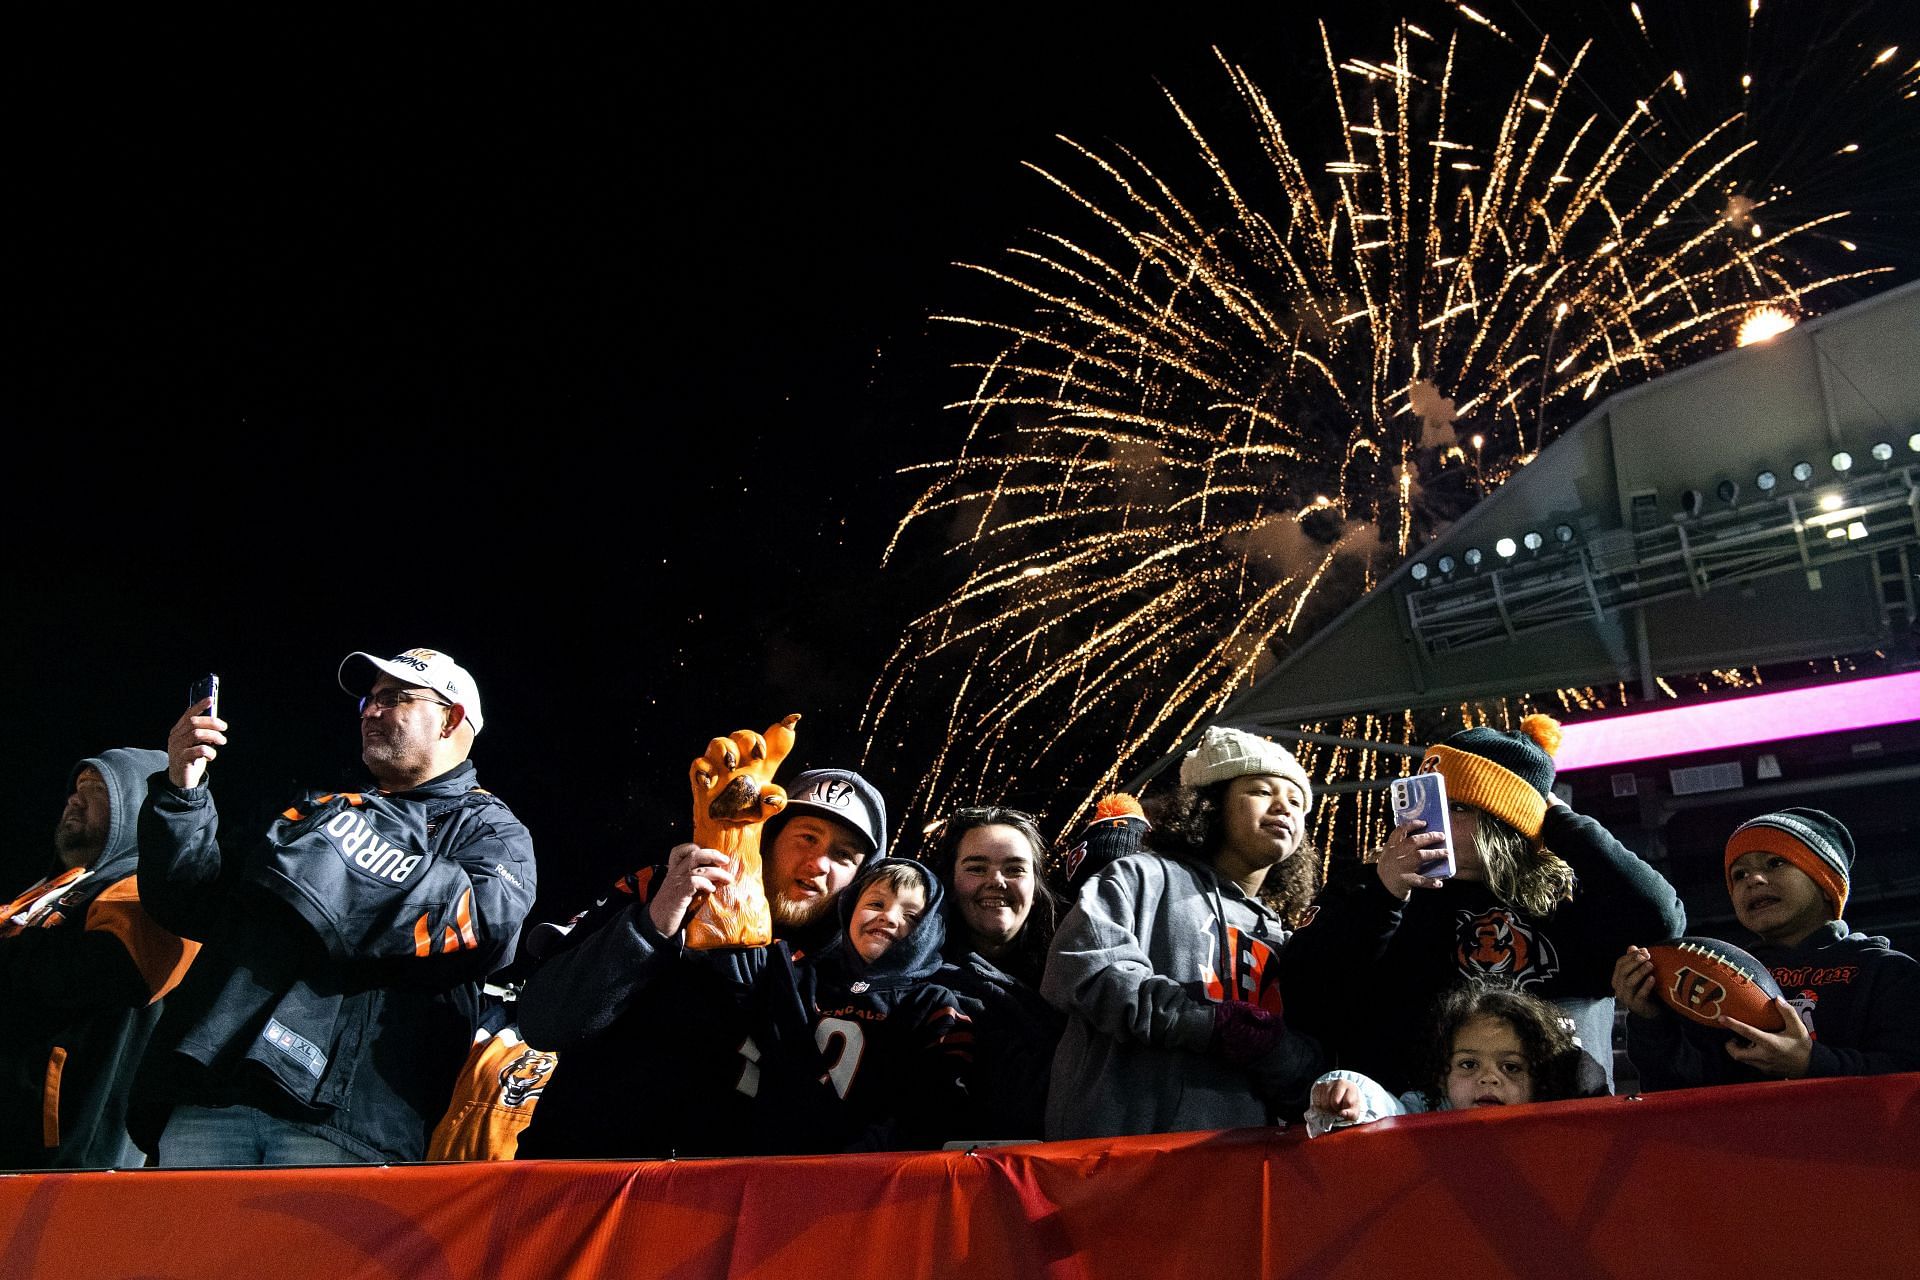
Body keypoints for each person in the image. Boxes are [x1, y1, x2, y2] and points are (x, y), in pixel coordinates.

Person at [132, 647, 537, 1165]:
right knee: (183, 1250)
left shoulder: (491, 832)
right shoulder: (314, 809)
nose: (370, 711)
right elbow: (187, 900)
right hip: (213, 1093)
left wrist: (332, 857)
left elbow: (486, 926)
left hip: (346, 1124)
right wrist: (182, 791)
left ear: (451, 718)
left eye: (394, 699)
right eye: (368, 701)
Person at [1281, 715, 1686, 1096]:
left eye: (1457, 807)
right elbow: (1308, 990)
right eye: (1429, 802)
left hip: (1560, 1129)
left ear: (1502, 823)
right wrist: (1383, 896)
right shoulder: (1379, 887)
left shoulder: (1566, 894)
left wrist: (1559, 820)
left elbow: (1661, 920)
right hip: (1420, 1133)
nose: (1431, 820)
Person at [512, 766, 888, 1158]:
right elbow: (543, 1021)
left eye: (843, 855)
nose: (818, 863)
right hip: (576, 1182)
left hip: (712, 1207)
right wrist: (652, 926)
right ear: (770, 835)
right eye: (807, 838)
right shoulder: (661, 889)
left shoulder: (850, 976)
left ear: (862, 879)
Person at [1041, 726, 1325, 1139]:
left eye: (1297, 802)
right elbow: (1084, 971)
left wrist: (1276, 1049)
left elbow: (1303, 1076)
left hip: (1231, 1176)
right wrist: (1205, 1023)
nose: (1284, 806)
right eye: (1261, 791)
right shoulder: (1139, 877)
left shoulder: (1282, 939)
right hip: (1113, 1165)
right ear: (1210, 804)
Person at [1614, 807, 1920, 1088]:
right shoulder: (1715, 976)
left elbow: (1907, 1078)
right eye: (1739, 874)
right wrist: (1650, 1019)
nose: (1754, 879)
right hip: (1751, 1144)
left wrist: (1811, 1063)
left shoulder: (1888, 971)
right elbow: (1677, 1088)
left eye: (1776, 863)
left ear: (1826, 883)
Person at [1, 749, 198, 1169]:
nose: (74, 799)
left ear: (135, 805)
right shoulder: (48, 890)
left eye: (95, 790)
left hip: (74, 1149)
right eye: (75, 790)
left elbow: (107, 972)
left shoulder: (149, 891)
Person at [702, 857, 976, 1152]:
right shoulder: (802, 977)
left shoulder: (930, 1003)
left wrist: (864, 1156)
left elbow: (939, 1101)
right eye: (876, 904)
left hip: (870, 1176)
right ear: (849, 909)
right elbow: (734, 963)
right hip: (773, 1164)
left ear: (929, 932)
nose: (890, 917)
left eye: (911, 916)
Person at [925, 806, 1066, 1140]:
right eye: (977, 868)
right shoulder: (914, 985)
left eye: (1014, 869)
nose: (996, 882)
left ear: (1036, 885)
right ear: (951, 882)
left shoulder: (1077, 980)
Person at [1304, 982, 1602, 1136]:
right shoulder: (1428, 1110)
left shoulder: (1548, 1125)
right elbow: (1389, 1111)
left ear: (1538, 1078)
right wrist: (1353, 1096)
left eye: (1510, 1067)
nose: (1489, 1078)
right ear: (1442, 1072)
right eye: (1468, 1064)